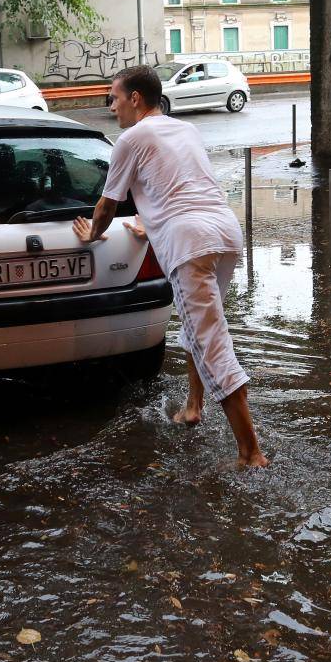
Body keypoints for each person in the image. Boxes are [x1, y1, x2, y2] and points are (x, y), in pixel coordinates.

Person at [74, 65, 268, 468]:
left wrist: (93, 234)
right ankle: (193, 406)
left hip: (189, 243)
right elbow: (179, 185)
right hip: (225, 233)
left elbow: (108, 205)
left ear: (135, 98)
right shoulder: (185, 130)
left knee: (212, 342)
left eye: (113, 97)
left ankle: (251, 453)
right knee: (199, 329)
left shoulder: (131, 138)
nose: (111, 107)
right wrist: (153, 221)